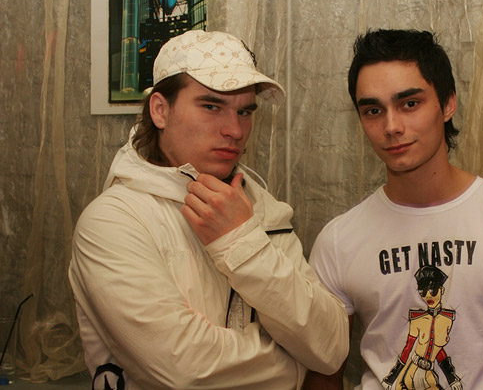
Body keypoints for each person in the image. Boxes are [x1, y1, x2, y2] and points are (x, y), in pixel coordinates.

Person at [68, 30, 349, 390]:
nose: (235, 130)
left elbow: (331, 348)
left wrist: (242, 241)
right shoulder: (114, 220)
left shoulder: (259, 206)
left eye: (244, 111)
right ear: (160, 110)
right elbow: (184, 372)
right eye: (211, 107)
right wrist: (295, 364)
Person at [304, 29, 483, 390]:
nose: (391, 127)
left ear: (447, 104)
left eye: (410, 104)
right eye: (373, 110)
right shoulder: (338, 240)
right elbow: (323, 375)